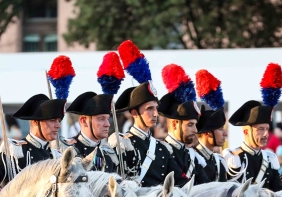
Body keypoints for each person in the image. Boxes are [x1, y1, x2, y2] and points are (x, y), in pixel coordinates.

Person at [112, 40, 180, 187]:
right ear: (134, 112)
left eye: (156, 108)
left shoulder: (162, 148)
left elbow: (180, 183)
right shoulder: (122, 143)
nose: (155, 113)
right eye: (149, 108)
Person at [223, 64, 282, 191]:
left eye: (267, 129)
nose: (266, 134)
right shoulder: (234, 157)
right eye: (261, 129)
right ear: (246, 131)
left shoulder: (270, 158)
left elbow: (278, 192)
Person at [0, 93, 64, 184]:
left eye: (59, 121)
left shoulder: (57, 157)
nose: (58, 126)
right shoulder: (14, 152)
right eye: (52, 120)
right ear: (36, 122)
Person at [157, 64, 204, 186]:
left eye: (195, 125)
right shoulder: (160, 150)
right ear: (174, 124)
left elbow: (206, 185)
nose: (195, 130)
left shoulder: (191, 155)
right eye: (190, 125)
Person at [64, 91, 119, 173]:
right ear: (84, 121)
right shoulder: (68, 151)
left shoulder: (109, 154)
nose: (107, 124)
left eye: (107, 119)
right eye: (101, 119)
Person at [193, 69, 228, 182]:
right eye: (220, 129)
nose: (225, 134)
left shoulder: (218, 161)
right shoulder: (192, 159)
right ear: (208, 133)